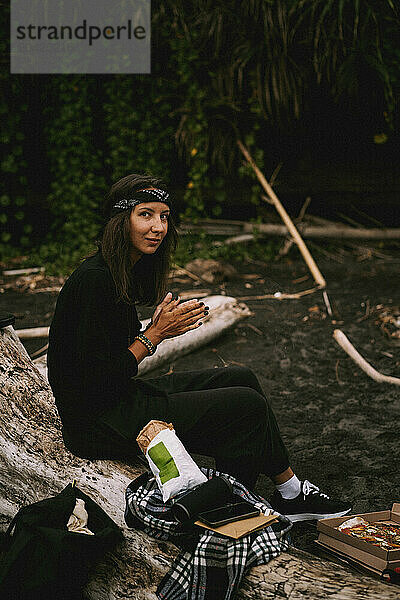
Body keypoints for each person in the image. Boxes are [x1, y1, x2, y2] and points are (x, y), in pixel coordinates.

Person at [47, 173, 352, 523]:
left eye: (164, 216)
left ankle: (281, 492)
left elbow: (111, 360)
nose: (158, 227)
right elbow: (95, 379)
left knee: (242, 377)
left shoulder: (117, 272)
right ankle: (251, 504)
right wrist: (154, 336)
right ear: (120, 220)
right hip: (96, 421)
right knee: (246, 406)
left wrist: (157, 328)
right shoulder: (94, 280)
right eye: (145, 214)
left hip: (114, 400)